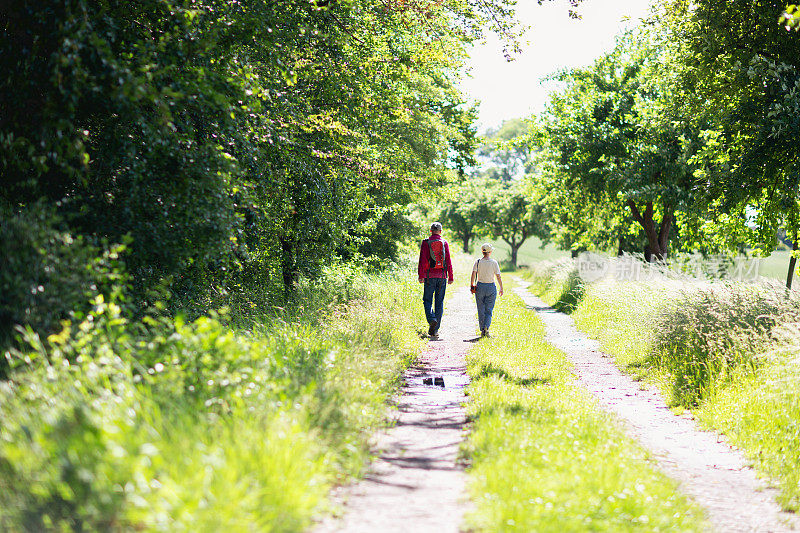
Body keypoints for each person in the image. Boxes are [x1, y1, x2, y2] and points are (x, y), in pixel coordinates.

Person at [418, 222, 454, 339]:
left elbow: (422, 259)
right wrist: (451, 276)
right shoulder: (444, 242)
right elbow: (448, 260)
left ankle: (432, 320)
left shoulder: (425, 243)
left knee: (427, 300)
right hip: (442, 276)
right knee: (439, 302)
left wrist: (421, 275)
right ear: (440, 231)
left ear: (430, 231)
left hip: (429, 276)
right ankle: (435, 330)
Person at [470, 243, 503, 337]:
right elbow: (498, 276)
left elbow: (473, 274)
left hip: (480, 286)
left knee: (481, 309)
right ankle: (486, 328)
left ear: (482, 251)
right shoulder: (494, 262)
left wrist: (472, 285)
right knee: (489, 309)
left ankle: (482, 329)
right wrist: (501, 287)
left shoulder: (478, 262)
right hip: (491, 287)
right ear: (490, 252)